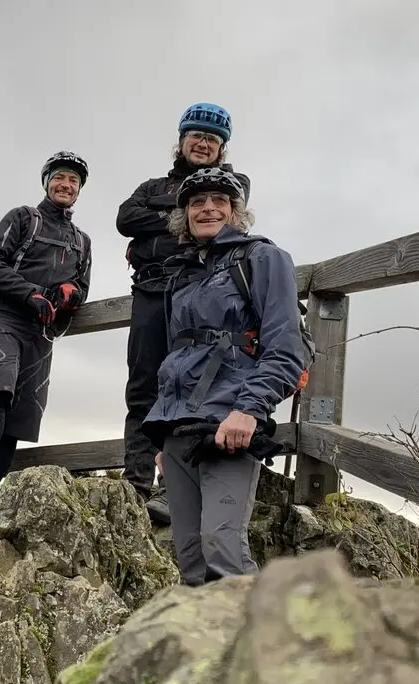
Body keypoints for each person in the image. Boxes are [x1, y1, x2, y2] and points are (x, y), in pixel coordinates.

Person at [142, 166, 309, 587]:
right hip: (179, 428)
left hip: (230, 422)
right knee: (190, 558)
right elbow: (173, 357)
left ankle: (257, 650)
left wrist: (249, 410)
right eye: (197, 202)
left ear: (236, 212)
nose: (208, 208)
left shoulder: (262, 258)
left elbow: (286, 346)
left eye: (221, 201)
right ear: (185, 214)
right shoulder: (180, 275)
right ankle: (208, 653)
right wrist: (163, 438)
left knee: (223, 548)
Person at [115, 102, 252, 525]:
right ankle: (135, 481)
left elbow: (226, 227)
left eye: (213, 139)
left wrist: (147, 241)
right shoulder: (151, 184)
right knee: (142, 383)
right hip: (151, 292)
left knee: (189, 382)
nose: (203, 143)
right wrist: (165, 230)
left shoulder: (235, 182)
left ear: (222, 148)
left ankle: (171, 486)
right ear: (182, 139)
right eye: (196, 135)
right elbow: (124, 219)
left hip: (199, 289)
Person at [0, 151, 93, 495]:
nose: (66, 184)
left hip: (42, 331)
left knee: (25, 407)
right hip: (3, 316)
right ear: (47, 182)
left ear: (79, 189)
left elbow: (82, 286)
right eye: (59, 177)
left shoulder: (82, 240)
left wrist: (72, 294)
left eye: (73, 181)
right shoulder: (24, 217)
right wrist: (29, 293)